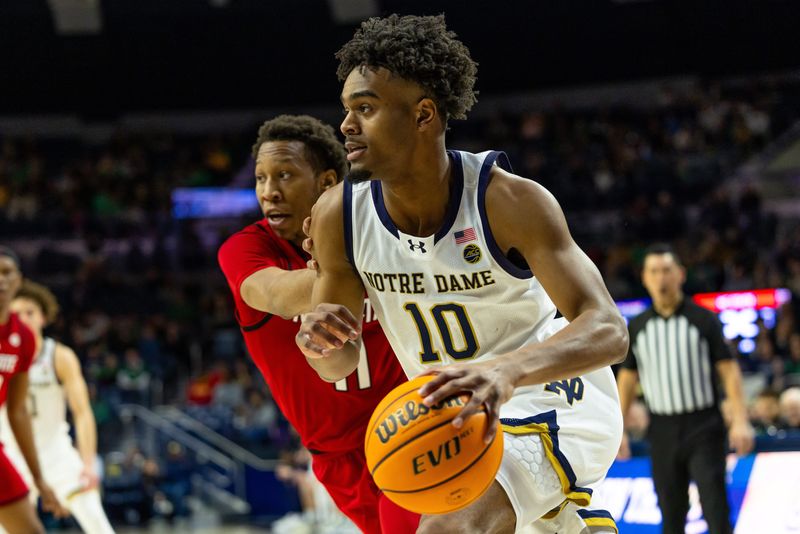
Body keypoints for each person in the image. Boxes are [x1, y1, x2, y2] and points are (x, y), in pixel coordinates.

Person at [296, 15, 627, 533]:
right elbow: (338, 365)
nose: (346, 126)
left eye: (366, 108)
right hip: (452, 415)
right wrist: (320, 339)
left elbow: (608, 329)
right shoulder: (340, 214)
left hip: (552, 396)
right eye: (346, 110)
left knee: (448, 527)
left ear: (424, 114)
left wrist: (505, 371)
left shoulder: (509, 200)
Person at [217, 115, 418, 533]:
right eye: (260, 178)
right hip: (335, 455)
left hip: (409, 423)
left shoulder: (377, 227)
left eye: (285, 175)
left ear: (327, 182)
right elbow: (271, 291)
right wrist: (356, 266)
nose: (269, 191)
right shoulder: (245, 249)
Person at [616, 244, 755, 534]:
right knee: (671, 514)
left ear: (680, 274)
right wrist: (619, 430)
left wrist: (740, 420)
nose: (660, 278)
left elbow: (729, 371)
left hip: (704, 426)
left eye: (666, 270)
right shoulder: (638, 327)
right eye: (653, 271)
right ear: (644, 278)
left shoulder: (703, 320)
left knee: (716, 510)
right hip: (662, 429)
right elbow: (627, 379)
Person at [0, 279, 115, 534]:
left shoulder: (59, 356)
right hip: (11, 456)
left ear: (44, 317)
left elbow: (83, 412)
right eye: (16, 313)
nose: (23, 318)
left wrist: (88, 463)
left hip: (57, 455)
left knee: (98, 525)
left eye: (30, 312)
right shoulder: (5, 353)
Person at [0, 247, 66, 533]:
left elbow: (17, 410)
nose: (0, 280)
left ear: (19, 280)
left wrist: (39, 478)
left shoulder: (24, 338)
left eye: (6, 273)